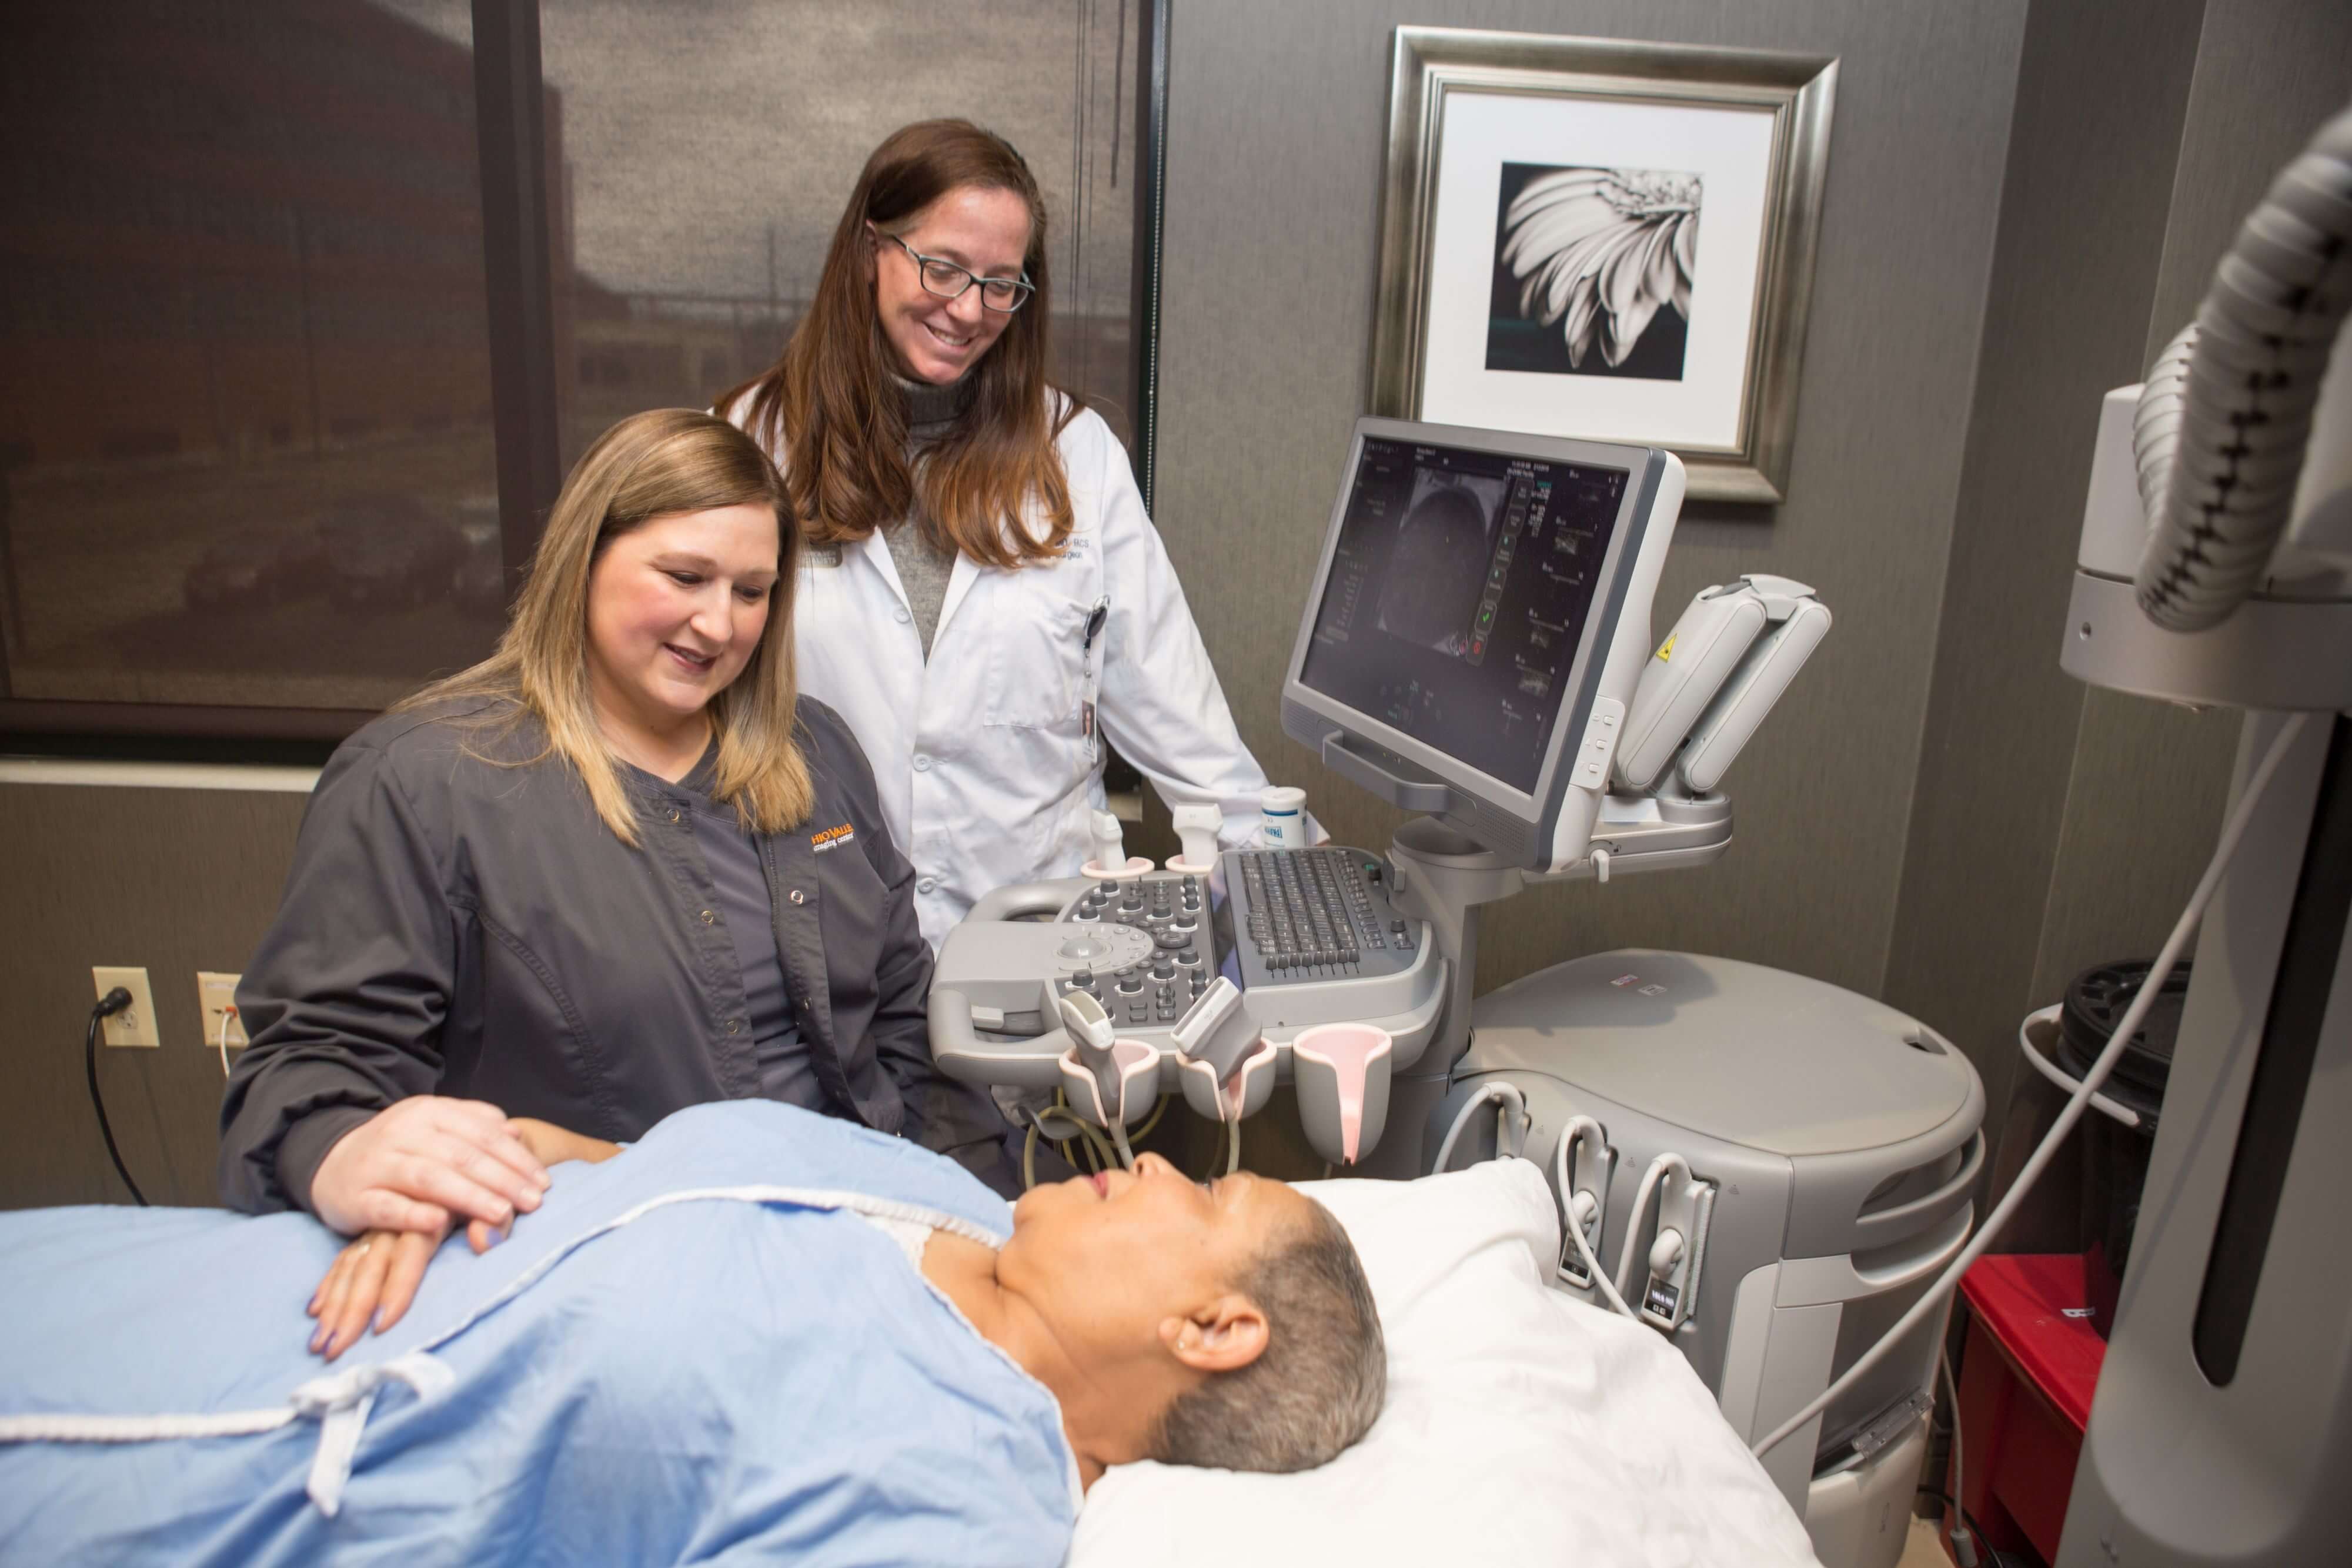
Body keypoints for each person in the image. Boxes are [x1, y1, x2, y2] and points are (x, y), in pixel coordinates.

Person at [218, 409, 1018, 1278]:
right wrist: (343, 1149)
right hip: (623, 1268)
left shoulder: (813, 752)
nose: (719, 625)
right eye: (685, 576)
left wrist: (979, 1221)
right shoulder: (424, 786)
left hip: (867, 1234)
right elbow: (308, 1069)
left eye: (752, 592)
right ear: (584, 559)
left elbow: (906, 1010)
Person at [0, 1101, 1388, 1565]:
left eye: (1201, 1188)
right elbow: (650, 1165)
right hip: (144, 1271)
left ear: (1210, 1326)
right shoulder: (955, 1205)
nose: (1151, 1161)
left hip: (178, 1461)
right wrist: (477, 1155)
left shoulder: (942, 1506)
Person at [722, 119, 1302, 951]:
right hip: (818, 947)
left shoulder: (1076, 455)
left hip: (1039, 949)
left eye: (1003, 284)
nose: (970, 310)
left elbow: (1179, 716)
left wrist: (1290, 880)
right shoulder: (750, 442)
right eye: (943, 268)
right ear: (867, 249)